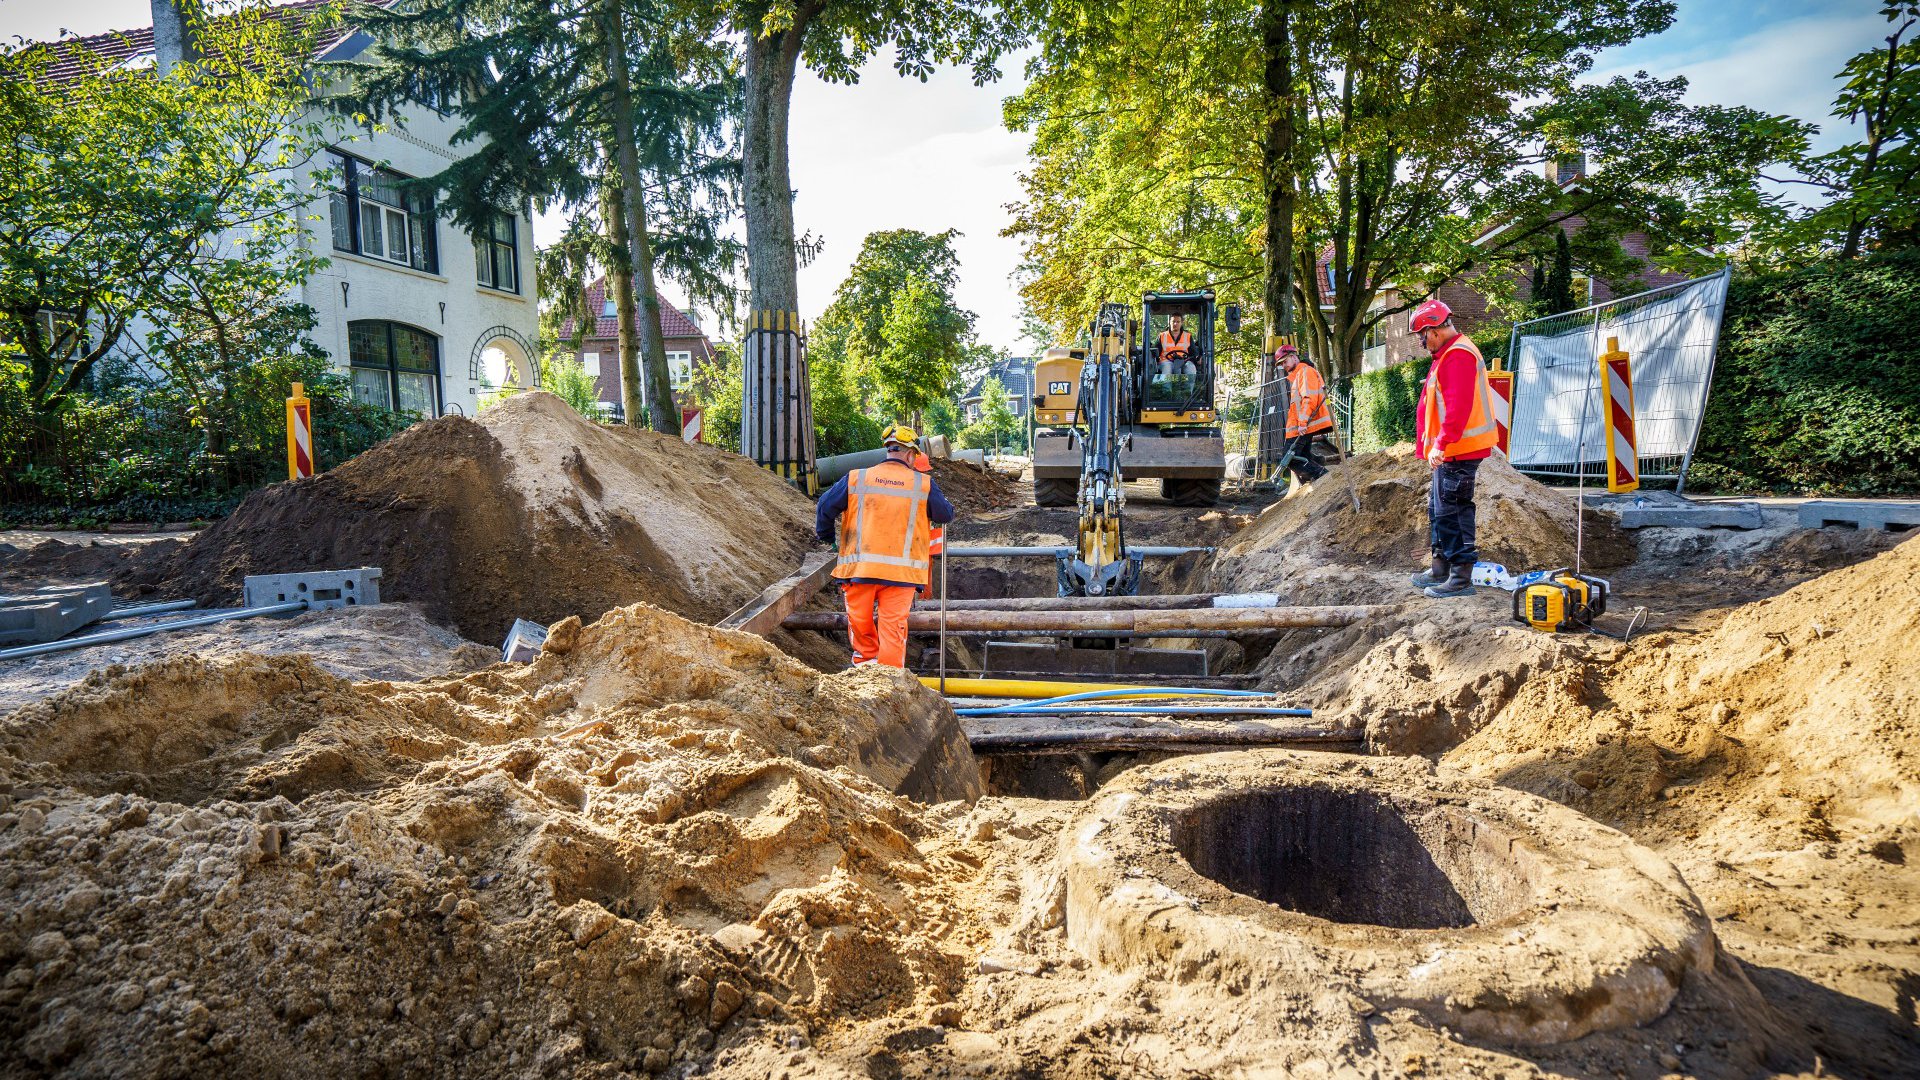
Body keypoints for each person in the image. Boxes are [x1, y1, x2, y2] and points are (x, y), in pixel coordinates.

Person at [815, 425, 956, 667]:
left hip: (859, 573)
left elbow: (824, 508)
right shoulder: (923, 484)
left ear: (888, 451)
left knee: (860, 627)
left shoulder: (856, 478)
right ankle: (890, 682)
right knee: (892, 631)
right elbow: (945, 515)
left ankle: (863, 674)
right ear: (911, 454)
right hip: (900, 575)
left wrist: (828, 537)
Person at [1406, 299, 1498, 598]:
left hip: (1458, 450)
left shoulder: (1457, 356)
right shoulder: (1447, 356)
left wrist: (1442, 444)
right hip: (1449, 451)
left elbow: (1458, 409)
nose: (1422, 343)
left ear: (1433, 330)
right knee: (1439, 509)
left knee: (1454, 512)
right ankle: (1440, 568)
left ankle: (1460, 578)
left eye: (1422, 336)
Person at [1276, 345, 1332, 484]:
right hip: (1302, 426)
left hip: (1302, 427)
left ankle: (1322, 475)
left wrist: (1302, 423)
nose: (1284, 366)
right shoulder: (1299, 375)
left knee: (1290, 459)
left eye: (1285, 361)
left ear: (1294, 357)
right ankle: (1316, 477)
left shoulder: (1305, 372)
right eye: (1281, 363)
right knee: (1303, 455)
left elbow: (1309, 399)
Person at [1157, 314, 1197, 378]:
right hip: (1166, 361)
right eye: (1173, 321)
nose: (1175, 324)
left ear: (1181, 323)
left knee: (1191, 368)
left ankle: (1189, 388)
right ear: (1169, 322)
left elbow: (1193, 352)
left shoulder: (1188, 336)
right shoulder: (1162, 335)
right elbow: (1156, 351)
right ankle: (1166, 388)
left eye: (1178, 322)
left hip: (1183, 361)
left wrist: (1196, 358)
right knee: (1167, 369)